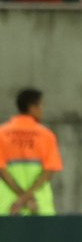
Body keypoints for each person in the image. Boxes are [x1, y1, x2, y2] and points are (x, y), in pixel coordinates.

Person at [1, 88, 62, 216]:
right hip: (39, 205)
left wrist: (20, 199)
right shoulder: (46, 135)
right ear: (32, 107)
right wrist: (27, 198)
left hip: (7, 204)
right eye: (41, 105)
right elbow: (49, 172)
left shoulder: (2, 133)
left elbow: (2, 171)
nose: (42, 109)